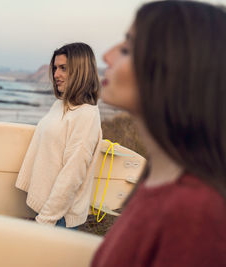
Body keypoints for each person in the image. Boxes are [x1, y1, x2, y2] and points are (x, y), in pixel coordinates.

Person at [91, 1, 226, 266]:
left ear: (177, 71)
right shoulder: (158, 180)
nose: (107, 56)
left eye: (127, 49)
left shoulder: (197, 215)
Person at [15, 42, 102, 229]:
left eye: (63, 68)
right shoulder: (60, 105)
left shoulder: (87, 114)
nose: (56, 75)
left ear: (81, 71)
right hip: (47, 209)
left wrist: (46, 219)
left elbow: (73, 173)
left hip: (58, 218)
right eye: (55, 68)